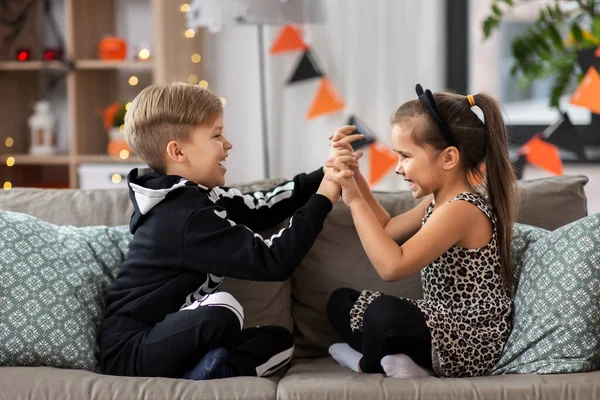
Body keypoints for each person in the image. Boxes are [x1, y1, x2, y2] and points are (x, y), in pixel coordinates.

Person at [98, 82, 361, 380]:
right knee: (223, 308)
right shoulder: (183, 216)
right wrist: (325, 197)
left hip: (175, 338)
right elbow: (274, 261)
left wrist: (327, 171)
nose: (228, 144)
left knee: (280, 341)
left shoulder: (199, 196)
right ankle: (206, 369)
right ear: (177, 151)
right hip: (132, 350)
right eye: (216, 134)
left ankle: (213, 370)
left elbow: (263, 206)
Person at [324, 84, 518, 379]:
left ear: (449, 158)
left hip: (471, 341)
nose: (399, 169)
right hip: (440, 325)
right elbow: (387, 229)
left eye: (405, 156)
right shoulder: (439, 200)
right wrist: (355, 176)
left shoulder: (462, 209)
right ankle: (403, 360)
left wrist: (352, 199)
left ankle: (368, 363)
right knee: (341, 301)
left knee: (384, 314)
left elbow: (392, 266)